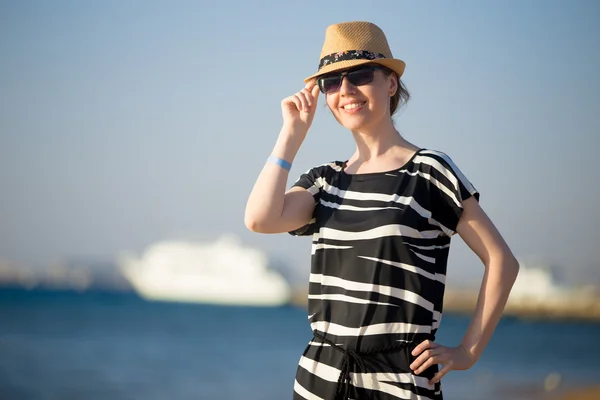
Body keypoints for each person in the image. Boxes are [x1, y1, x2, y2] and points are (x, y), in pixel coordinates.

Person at [244, 21, 519, 400]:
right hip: (320, 375)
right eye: (332, 82)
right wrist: (291, 134)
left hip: (402, 380)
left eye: (359, 75)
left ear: (390, 84)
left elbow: (502, 260)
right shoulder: (325, 181)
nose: (346, 91)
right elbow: (259, 219)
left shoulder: (429, 172)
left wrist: (468, 351)